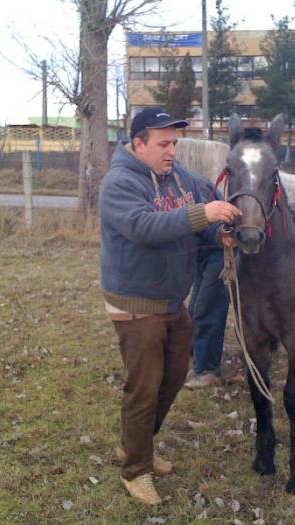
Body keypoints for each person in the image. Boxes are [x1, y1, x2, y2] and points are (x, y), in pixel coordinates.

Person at [99, 107, 241, 505]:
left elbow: (203, 217)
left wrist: (220, 233)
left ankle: (135, 443)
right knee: (144, 389)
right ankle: (135, 469)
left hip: (172, 301)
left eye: (175, 143)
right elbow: (145, 227)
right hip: (137, 303)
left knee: (173, 378)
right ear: (138, 143)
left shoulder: (178, 178)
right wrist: (202, 214)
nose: (172, 152)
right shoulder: (119, 183)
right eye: (163, 144)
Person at [184, 174, 230, 389]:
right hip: (203, 253)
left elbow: (211, 220)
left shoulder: (190, 184)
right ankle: (200, 364)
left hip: (217, 253)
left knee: (207, 310)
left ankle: (209, 370)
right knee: (195, 309)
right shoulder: (180, 181)